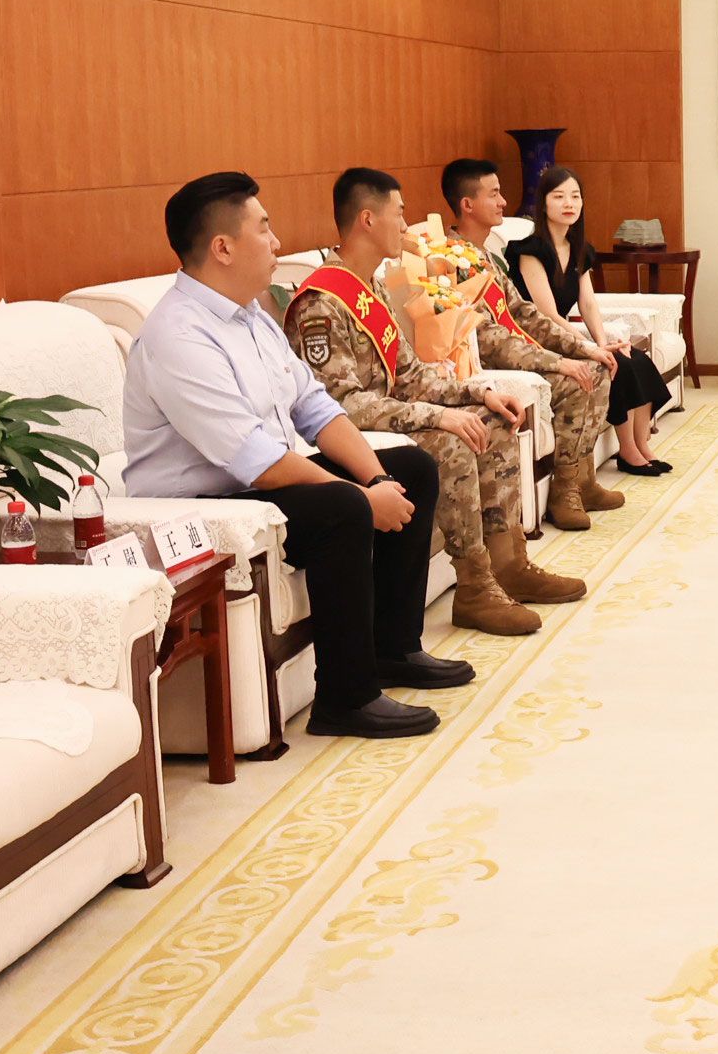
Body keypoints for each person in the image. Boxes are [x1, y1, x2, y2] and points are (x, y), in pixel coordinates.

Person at [121, 172, 468, 739]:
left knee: (411, 468)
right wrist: (362, 497)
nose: (277, 242)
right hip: (209, 505)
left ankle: (393, 650)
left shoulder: (250, 316)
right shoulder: (177, 336)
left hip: (260, 487)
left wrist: (377, 479)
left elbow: (314, 406)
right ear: (223, 247)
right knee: (342, 508)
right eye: (264, 228)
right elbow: (254, 459)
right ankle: (345, 699)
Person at [284, 168, 586, 639]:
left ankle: (510, 564)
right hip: (348, 439)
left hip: (387, 419)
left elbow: (410, 374)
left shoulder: (369, 287)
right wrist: (439, 416)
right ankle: (474, 587)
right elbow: (341, 404)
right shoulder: (321, 303)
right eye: (399, 214)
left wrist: (476, 393)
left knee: (494, 418)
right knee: (452, 442)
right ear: (368, 219)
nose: (406, 226)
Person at [439, 158, 620, 532]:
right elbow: (489, 339)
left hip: (517, 351)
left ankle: (581, 481)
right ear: (468, 204)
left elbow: (524, 314)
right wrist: (557, 362)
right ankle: (563, 492)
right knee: (575, 381)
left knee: (598, 366)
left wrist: (583, 347)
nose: (504, 202)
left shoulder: (483, 256)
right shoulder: (450, 262)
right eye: (494, 194)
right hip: (485, 366)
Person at [515, 167, 677, 479]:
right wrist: (590, 348)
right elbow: (547, 314)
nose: (568, 203)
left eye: (575, 196)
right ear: (543, 204)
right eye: (558, 196)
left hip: (569, 335)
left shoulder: (579, 250)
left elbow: (588, 303)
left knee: (637, 359)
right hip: (541, 338)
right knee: (618, 365)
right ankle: (627, 450)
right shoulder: (530, 250)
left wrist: (603, 342)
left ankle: (642, 445)